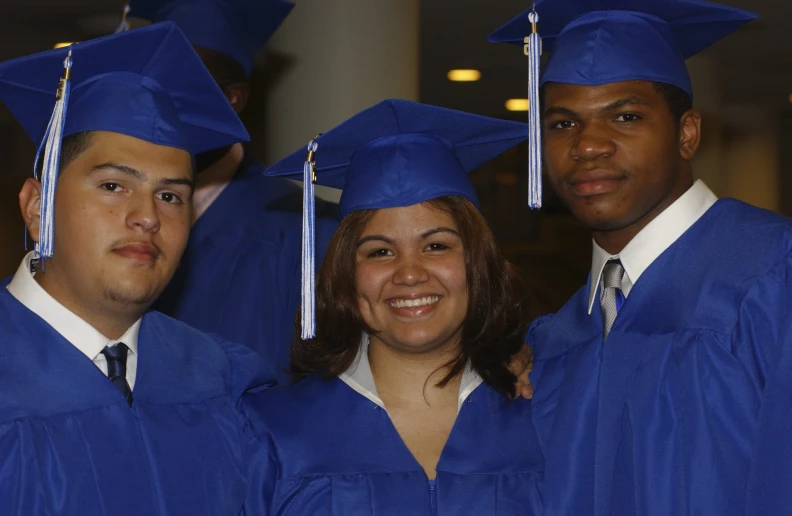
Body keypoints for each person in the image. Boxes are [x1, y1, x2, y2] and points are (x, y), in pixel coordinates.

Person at [489, 1, 785, 515]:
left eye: (625, 117)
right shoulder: (554, 340)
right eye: (562, 124)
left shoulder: (774, 272)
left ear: (687, 133)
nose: (588, 146)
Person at [0, 23, 272, 515]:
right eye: (113, 186)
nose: (148, 216)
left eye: (170, 196)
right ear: (38, 207)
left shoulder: (223, 380)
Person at [241, 99, 543, 515]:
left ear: (478, 263)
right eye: (380, 252)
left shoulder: (548, 418)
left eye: (436, 246)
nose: (410, 273)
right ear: (346, 276)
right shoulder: (270, 431)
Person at [126, 0, 339, 383]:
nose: (164, 106)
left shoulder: (305, 232)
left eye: (185, 86)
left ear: (233, 98)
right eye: (152, 87)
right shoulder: (121, 221)